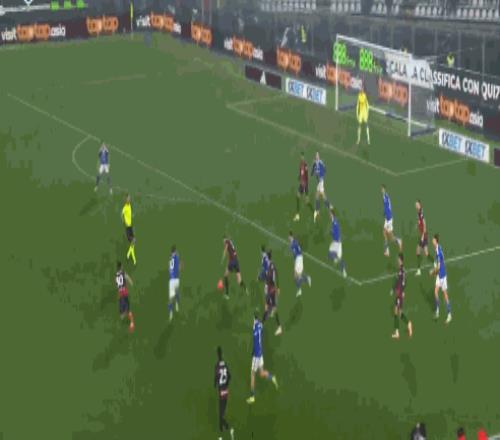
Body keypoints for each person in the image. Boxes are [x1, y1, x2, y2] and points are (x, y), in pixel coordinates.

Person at [246, 312, 278, 404]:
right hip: (261, 354)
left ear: (254, 319)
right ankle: (272, 377)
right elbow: (261, 323)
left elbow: (255, 340)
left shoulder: (255, 328)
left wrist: (253, 353)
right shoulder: (260, 325)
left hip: (256, 356)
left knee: (252, 375)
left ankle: (252, 397)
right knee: (261, 372)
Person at [430, 234, 452, 324]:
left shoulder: (438, 252)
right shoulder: (437, 248)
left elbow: (438, 268)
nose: (432, 241)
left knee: (445, 295)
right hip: (439, 275)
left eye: (433, 240)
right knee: (435, 291)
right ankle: (437, 311)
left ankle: (449, 314)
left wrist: (432, 272)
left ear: (436, 241)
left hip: (442, 276)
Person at [214, 346, 235, 440]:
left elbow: (216, 378)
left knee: (221, 414)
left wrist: (216, 384)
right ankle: (223, 432)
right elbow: (229, 376)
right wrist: (226, 383)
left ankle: (228, 429)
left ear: (217, 355)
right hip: (226, 391)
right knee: (221, 412)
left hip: (221, 391)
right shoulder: (225, 365)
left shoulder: (217, 366)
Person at [391, 254, 413, 339]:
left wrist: (400, 291)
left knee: (396, 311)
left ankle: (397, 333)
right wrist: (396, 289)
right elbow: (402, 281)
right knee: (399, 313)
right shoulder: (402, 270)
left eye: (398, 259)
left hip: (399, 294)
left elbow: (401, 282)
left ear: (401, 260)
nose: (397, 260)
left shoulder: (401, 271)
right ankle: (408, 324)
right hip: (400, 293)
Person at [262, 250, 282, 336]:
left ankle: (278, 327)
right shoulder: (272, 265)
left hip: (270, 290)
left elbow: (270, 278)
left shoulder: (270, 268)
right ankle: (263, 323)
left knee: (269, 307)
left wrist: (267, 285)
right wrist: (278, 287)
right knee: (270, 307)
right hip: (272, 289)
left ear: (268, 257)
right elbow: (277, 274)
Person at [288, 231, 312, 297]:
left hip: (298, 259)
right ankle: (306, 279)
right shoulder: (294, 242)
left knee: (296, 275)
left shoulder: (293, 243)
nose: (288, 238)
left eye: (289, 236)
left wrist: (291, 244)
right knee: (297, 275)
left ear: (291, 236)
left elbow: (290, 248)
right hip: (298, 259)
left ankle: (300, 289)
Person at [381, 185, 403, 257]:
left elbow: (388, 207)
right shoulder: (384, 196)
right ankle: (398, 241)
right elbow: (387, 207)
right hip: (387, 218)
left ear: (385, 189)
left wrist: (387, 215)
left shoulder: (386, 197)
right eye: (381, 189)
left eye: (383, 189)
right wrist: (384, 213)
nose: (382, 190)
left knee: (386, 234)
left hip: (389, 219)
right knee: (389, 236)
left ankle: (387, 250)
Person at [115, 261, 135, 332]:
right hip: (125, 293)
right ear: (121, 267)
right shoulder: (123, 273)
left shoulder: (116, 276)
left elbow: (117, 285)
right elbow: (128, 278)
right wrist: (131, 282)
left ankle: (128, 320)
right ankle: (131, 322)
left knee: (122, 312)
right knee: (127, 310)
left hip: (120, 294)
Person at [311, 152, 330, 223]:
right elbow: (313, 170)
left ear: (319, 157)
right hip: (319, 182)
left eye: (317, 155)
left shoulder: (321, 163)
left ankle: (320, 210)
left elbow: (325, 169)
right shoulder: (315, 163)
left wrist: (321, 175)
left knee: (319, 195)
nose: (316, 156)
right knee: (319, 196)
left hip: (321, 181)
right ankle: (324, 209)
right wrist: (312, 173)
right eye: (316, 155)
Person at [328, 208, 347, 278]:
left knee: (339, 258)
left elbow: (337, 232)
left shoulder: (335, 222)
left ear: (332, 214)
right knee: (330, 254)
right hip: (334, 242)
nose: (329, 215)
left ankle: (344, 270)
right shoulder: (333, 221)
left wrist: (332, 232)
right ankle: (335, 258)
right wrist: (332, 232)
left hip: (337, 243)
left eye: (330, 213)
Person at [294, 152, 312, 222]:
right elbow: (301, 172)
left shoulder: (305, 165)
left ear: (304, 157)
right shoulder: (301, 164)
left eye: (303, 157)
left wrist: (305, 184)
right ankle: (297, 215)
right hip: (302, 183)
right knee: (298, 196)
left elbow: (306, 174)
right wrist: (299, 177)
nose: (302, 158)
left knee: (307, 201)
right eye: (301, 157)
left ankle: (314, 212)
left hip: (304, 184)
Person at [122, 195, 136, 265]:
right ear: (126, 200)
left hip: (130, 226)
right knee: (133, 241)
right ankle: (133, 258)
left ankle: (128, 254)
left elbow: (129, 213)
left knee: (133, 242)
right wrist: (125, 222)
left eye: (130, 199)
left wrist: (131, 215)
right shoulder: (124, 208)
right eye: (128, 199)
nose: (129, 200)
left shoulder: (129, 205)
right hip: (128, 228)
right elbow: (122, 215)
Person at [168, 245, 181, 322]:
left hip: (171, 280)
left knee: (170, 299)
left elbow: (170, 269)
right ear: (175, 251)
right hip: (177, 279)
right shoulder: (177, 257)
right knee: (177, 292)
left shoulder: (170, 259)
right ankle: (177, 304)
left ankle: (171, 314)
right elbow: (179, 267)